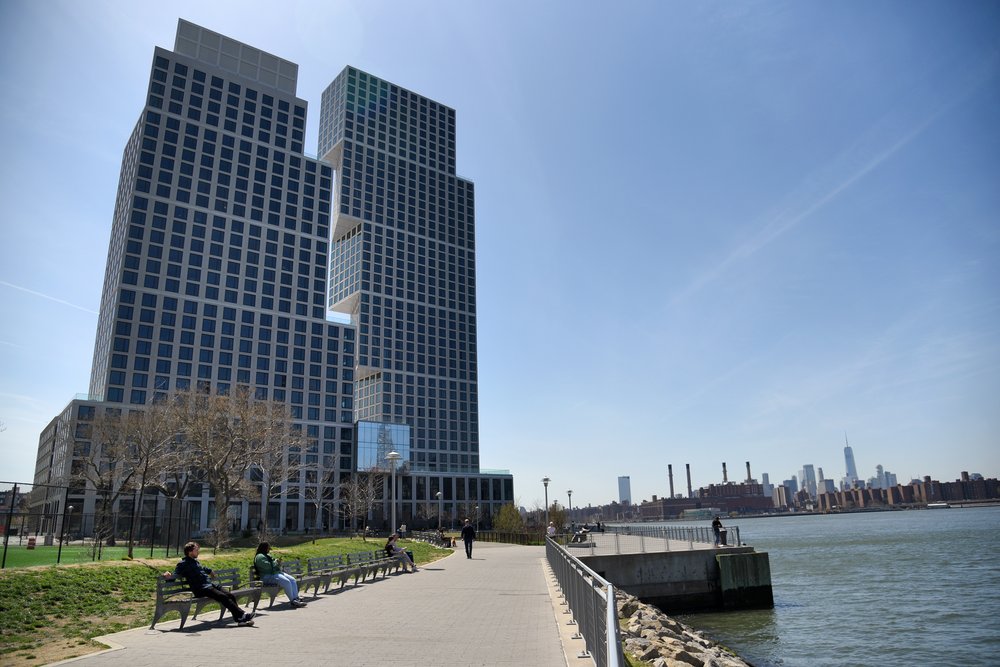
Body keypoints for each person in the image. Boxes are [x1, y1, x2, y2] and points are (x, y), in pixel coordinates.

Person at [163, 541, 255, 626]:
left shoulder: (195, 562)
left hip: (209, 585)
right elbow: (175, 575)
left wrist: (210, 571)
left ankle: (239, 619)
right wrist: (168, 576)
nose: (198, 552)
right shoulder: (183, 564)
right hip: (201, 589)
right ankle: (243, 615)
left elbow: (202, 569)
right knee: (223, 597)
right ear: (190, 552)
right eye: (196, 550)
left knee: (230, 595)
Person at [254, 542, 307, 607]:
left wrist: (278, 563)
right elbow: (267, 566)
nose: (269, 550)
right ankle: (292, 601)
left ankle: (296, 598)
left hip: (276, 573)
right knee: (286, 582)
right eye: (268, 548)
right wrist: (276, 562)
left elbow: (273, 562)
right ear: (264, 548)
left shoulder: (267, 555)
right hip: (267, 576)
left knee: (292, 580)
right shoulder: (259, 557)